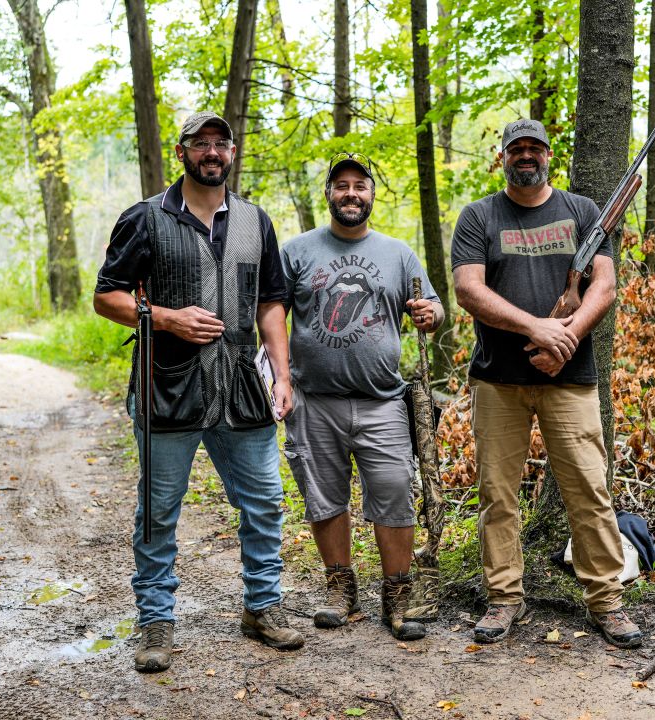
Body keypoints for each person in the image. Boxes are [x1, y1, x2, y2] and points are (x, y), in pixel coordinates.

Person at [94, 111, 302, 673]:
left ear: (232, 152)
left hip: (240, 385)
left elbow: (271, 304)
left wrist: (281, 377)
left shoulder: (256, 222)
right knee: (159, 510)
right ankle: (155, 621)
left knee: (264, 501)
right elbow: (107, 298)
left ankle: (262, 607)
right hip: (169, 385)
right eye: (200, 143)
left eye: (221, 143)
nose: (212, 152)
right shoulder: (144, 219)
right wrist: (164, 318)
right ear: (181, 151)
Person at [450, 119, 642, 649]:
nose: (526, 156)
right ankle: (504, 599)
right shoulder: (479, 215)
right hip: (498, 379)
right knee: (497, 494)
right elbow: (468, 289)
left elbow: (604, 284)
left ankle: (607, 601)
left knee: (589, 490)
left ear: (549, 154)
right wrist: (535, 327)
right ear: (503, 156)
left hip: (571, 378)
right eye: (517, 148)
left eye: (535, 147)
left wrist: (567, 338)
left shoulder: (583, 212)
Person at [280, 152, 444, 641]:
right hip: (314, 398)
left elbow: (433, 306)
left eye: (361, 186)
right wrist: (277, 378)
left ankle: (397, 595)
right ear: (328, 194)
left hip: (382, 400)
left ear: (372, 195)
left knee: (394, 489)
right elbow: (270, 316)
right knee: (324, 496)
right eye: (342, 185)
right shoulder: (296, 252)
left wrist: (430, 315)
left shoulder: (398, 253)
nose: (351, 193)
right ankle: (340, 589)